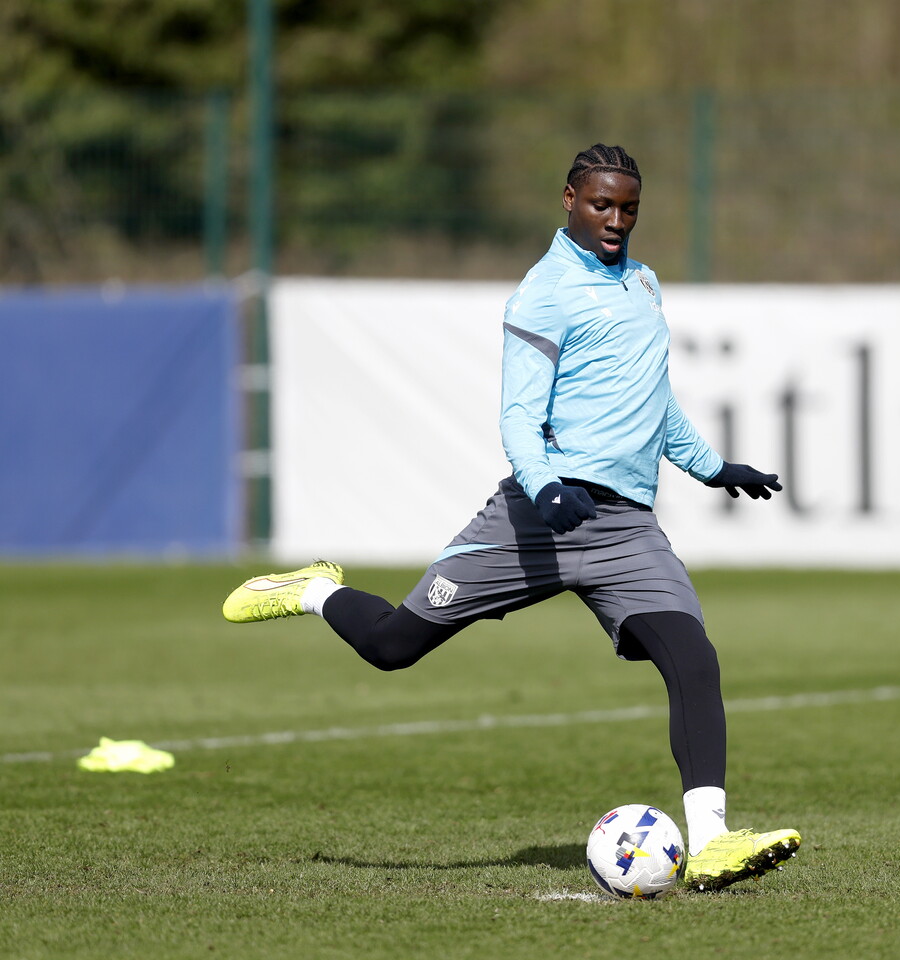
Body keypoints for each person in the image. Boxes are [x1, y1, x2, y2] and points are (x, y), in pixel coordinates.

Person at [222, 143, 800, 892]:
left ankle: (714, 842)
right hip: (535, 520)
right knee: (394, 646)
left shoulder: (644, 284)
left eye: (628, 207)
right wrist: (545, 487)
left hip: (626, 532)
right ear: (568, 199)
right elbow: (520, 417)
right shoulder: (543, 292)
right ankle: (312, 590)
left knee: (693, 658)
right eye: (602, 204)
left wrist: (714, 468)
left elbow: (654, 403)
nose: (616, 220)